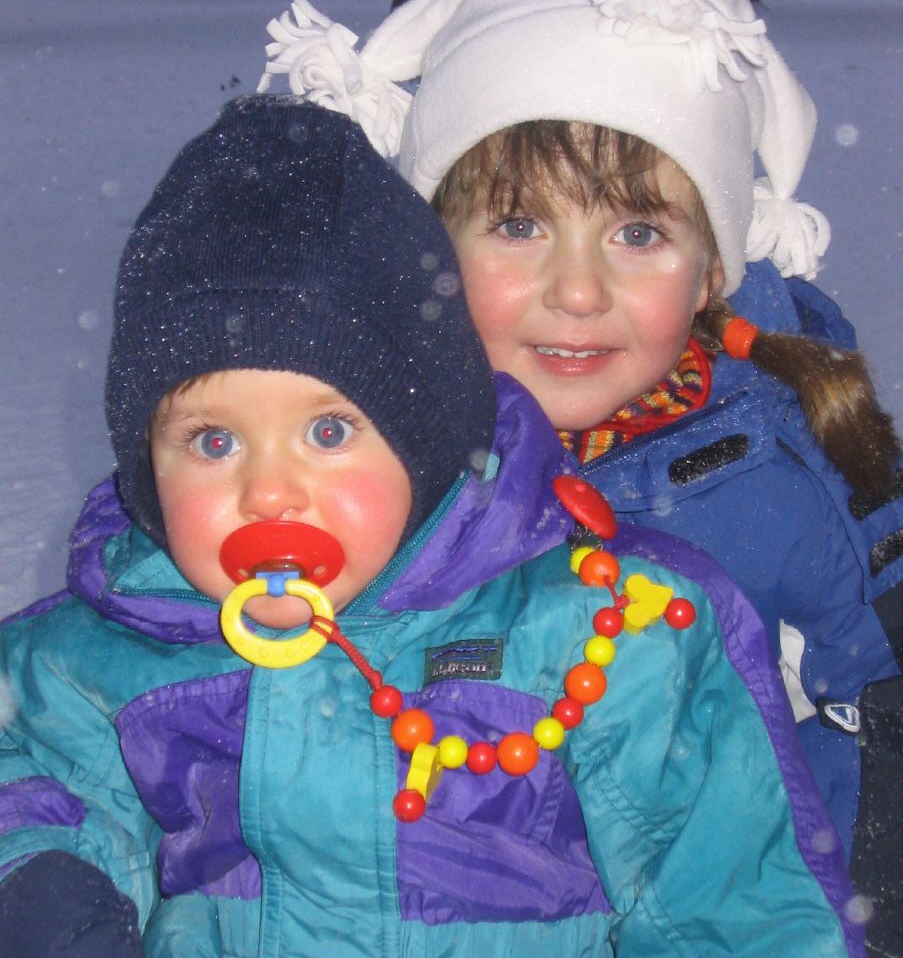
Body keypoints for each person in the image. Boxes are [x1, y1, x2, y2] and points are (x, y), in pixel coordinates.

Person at [0, 96, 862, 954]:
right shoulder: (89, 661)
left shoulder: (609, 634)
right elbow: (34, 783)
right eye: (212, 441)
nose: (268, 492)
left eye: (328, 433)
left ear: (425, 444)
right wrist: (43, 886)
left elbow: (733, 908)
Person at [255, 0, 903, 948]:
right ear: (429, 248)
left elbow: (875, 723)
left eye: (639, 233)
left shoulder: (796, 471)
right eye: (518, 226)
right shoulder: (354, 467)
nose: (579, 289)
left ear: (713, 271)